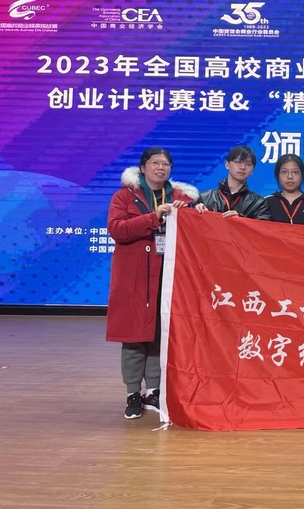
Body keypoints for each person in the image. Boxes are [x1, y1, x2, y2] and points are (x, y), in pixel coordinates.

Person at [105, 147, 198, 419]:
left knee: (160, 333)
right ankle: (133, 393)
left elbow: (196, 231)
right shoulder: (124, 196)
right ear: (143, 167)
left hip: (169, 275)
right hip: (134, 277)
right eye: (155, 163)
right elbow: (117, 229)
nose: (161, 168)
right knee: (133, 336)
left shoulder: (181, 198)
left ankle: (155, 391)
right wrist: (152, 217)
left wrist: (198, 212)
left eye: (166, 164)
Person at [195, 145, 271, 220]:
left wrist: (241, 220)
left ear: (252, 171)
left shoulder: (258, 203)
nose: (243, 167)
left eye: (248, 164)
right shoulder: (204, 198)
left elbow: (262, 226)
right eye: (238, 162)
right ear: (227, 164)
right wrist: (194, 210)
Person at [266, 153, 304, 225]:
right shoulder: (267, 202)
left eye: (295, 172)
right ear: (278, 175)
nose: (290, 176)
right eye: (284, 172)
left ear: (302, 175)